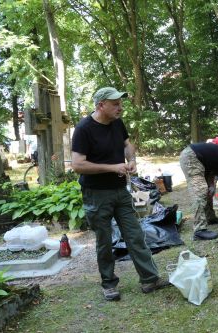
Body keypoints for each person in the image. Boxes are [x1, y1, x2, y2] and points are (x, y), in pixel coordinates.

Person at [71, 87, 170, 301]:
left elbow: (127, 145)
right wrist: (112, 167)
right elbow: (77, 165)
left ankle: (149, 279)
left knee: (135, 235)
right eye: (115, 104)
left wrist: (131, 160)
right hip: (96, 194)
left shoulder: (117, 123)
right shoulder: (84, 128)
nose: (120, 107)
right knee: (105, 241)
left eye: (120, 103)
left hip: (121, 192)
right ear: (100, 106)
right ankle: (108, 284)